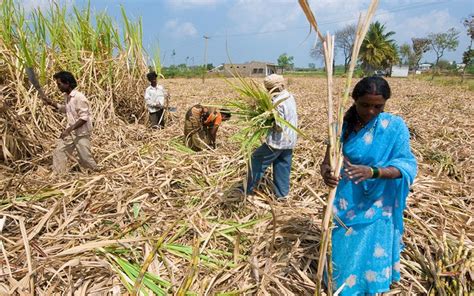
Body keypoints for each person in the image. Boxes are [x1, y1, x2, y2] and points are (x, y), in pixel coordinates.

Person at [320, 76, 417, 295]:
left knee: (371, 250)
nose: (371, 111)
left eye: (378, 106)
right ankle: (341, 288)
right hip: (345, 199)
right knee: (342, 250)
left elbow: (406, 164)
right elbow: (326, 163)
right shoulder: (339, 127)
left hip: (378, 203)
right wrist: (327, 174)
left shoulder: (394, 127)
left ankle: (369, 287)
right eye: (365, 105)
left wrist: (373, 172)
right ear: (354, 100)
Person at [245, 74, 298, 200]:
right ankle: (282, 195)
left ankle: (247, 189)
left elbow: (278, 126)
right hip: (290, 140)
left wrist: (263, 120)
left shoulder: (276, 103)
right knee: (282, 165)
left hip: (277, 141)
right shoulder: (289, 96)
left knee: (256, 159)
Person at [40, 71, 98, 174]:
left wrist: (69, 129)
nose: (58, 87)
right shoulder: (67, 97)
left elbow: (84, 118)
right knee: (59, 152)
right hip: (71, 133)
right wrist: (51, 103)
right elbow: (67, 109)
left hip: (81, 134)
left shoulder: (79, 97)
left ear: (67, 83)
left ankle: (98, 174)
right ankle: (58, 175)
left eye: (59, 84)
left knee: (85, 159)